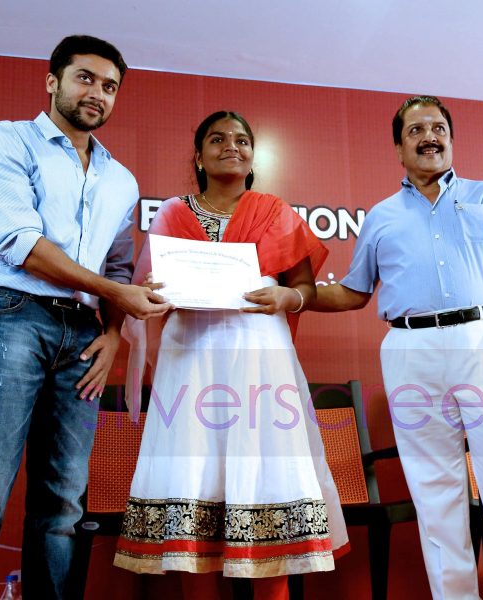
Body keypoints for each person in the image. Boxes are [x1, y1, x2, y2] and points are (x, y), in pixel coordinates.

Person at [0, 35, 171, 600]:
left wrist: (114, 334)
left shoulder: (122, 180)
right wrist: (112, 297)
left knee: (63, 501)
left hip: (85, 338)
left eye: (109, 86)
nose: (97, 94)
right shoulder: (7, 139)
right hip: (10, 316)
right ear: (53, 81)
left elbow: (117, 269)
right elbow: (21, 243)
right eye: (85, 78)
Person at [307, 96, 483, 599]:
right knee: (434, 489)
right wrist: (293, 295)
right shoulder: (381, 216)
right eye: (416, 129)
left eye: (438, 127)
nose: (430, 136)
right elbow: (355, 292)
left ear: (451, 139)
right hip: (409, 348)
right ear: (399, 148)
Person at [113, 111, 348, 599]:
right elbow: (147, 292)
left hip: (260, 356)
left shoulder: (275, 211)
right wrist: (154, 291)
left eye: (242, 140)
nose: (231, 146)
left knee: (266, 475)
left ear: (252, 156)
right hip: (192, 357)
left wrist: (290, 298)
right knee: (193, 475)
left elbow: (302, 286)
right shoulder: (174, 213)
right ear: (198, 156)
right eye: (217, 139)